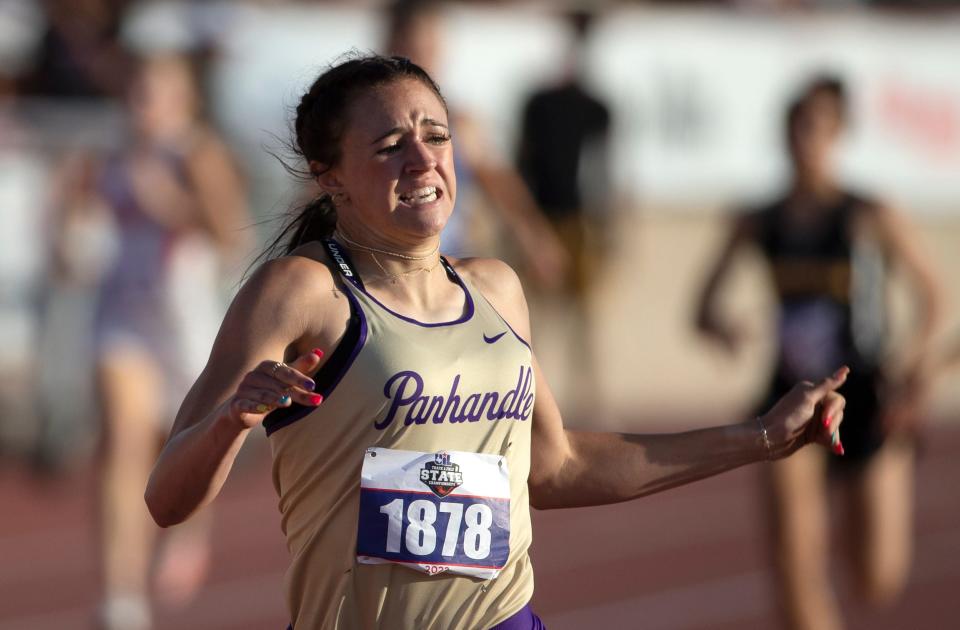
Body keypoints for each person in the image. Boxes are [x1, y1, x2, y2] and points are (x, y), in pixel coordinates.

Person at [146, 54, 848, 630]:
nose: (422, 159)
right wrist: (228, 423)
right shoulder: (299, 292)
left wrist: (761, 436)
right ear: (331, 177)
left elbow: (557, 467)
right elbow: (165, 499)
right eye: (390, 146)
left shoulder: (497, 290)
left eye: (437, 136)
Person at [695, 77, 944, 630]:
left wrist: (913, 367)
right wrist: (725, 327)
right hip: (790, 395)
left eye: (818, 128)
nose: (805, 139)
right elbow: (703, 306)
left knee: (876, 577)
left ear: (838, 135)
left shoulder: (866, 214)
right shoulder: (760, 219)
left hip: (865, 394)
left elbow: (932, 294)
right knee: (792, 557)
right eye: (796, 127)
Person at [69, 52, 250, 629]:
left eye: (152, 93)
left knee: (183, 445)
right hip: (122, 318)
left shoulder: (195, 154)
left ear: (181, 101)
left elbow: (232, 235)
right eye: (135, 91)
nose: (139, 104)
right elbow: (69, 216)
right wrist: (65, 239)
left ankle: (189, 531)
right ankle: (120, 595)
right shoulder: (109, 156)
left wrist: (170, 205)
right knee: (121, 444)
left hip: (185, 324)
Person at [384, 0, 568, 290]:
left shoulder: (459, 122)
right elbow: (323, 190)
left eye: (430, 46)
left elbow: (499, 184)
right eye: (413, 46)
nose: (421, 59)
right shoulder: (364, 124)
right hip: (381, 268)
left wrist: (534, 239)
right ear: (389, 43)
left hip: (446, 264)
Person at [515, 8, 612, 416]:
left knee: (583, 317)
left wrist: (606, 225)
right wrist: (524, 225)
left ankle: (587, 402)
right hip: (543, 219)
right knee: (530, 315)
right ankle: (534, 402)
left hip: (579, 222)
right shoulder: (537, 103)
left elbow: (603, 169)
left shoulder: (598, 107)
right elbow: (521, 161)